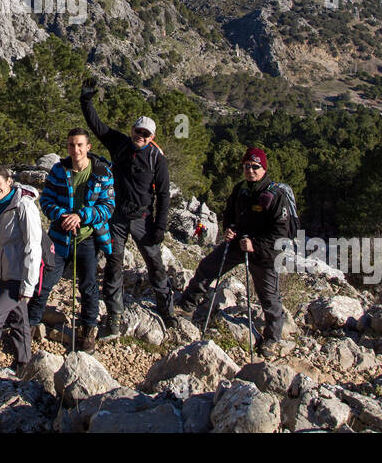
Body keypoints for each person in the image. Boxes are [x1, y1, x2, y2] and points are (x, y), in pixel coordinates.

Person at [79, 78, 175, 337]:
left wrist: (160, 225)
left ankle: (167, 310)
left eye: (145, 134)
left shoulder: (157, 159)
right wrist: (86, 101)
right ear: (132, 130)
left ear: (152, 137)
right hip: (117, 217)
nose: (140, 136)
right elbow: (97, 127)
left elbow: (164, 195)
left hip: (143, 218)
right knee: (114, 264)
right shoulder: (120, 143)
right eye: (137, 131)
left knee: (155, 263)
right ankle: (115, 317)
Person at [176, 147, 289, 348]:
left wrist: (256, 245)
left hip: (264, 253)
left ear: (264, 168)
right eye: (246, 166)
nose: (250, 170)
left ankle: (272, 338)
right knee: (207, 267)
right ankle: (187, 306)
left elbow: (282, 233)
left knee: (269, 297)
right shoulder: (240, 189)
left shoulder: (276, 195)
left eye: (255, 166)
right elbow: (229, 213)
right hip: (238, 243)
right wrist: (229, 229)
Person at [26, 129, 115, 352]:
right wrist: (61, 215)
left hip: (87, 239)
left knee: (88, 287)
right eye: (71, 145)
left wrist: (81, 216)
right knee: (44, 283)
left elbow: (108, 207)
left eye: (79, 145)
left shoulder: (102, 173)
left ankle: (87, 332)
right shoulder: (59, 170)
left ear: (88, 147)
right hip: (59, 236)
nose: (75, 150)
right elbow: (46, 200)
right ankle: (29, 325)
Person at [0, 167, 42, 369]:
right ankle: (24, 364)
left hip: (19, 276)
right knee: (19, 319)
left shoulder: (24, 205)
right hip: (4, 274)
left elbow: (33, 245)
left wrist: (29, 285)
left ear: (9, 181)